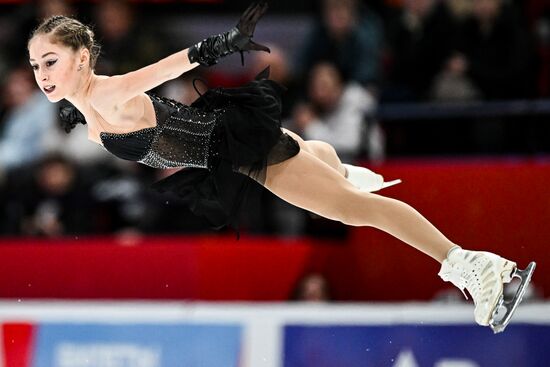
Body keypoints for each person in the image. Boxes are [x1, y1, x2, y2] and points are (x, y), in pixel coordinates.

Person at [26, 2, 534, 333]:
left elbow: (158, 71)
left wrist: (214, 47)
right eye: (34, 65)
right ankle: (337, 167)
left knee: (359, 212)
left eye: (51, 61)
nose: (42, 74)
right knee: (335, 183)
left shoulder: (110, 96)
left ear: (83, 59)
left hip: (246, 151)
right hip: (237, 144)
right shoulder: (91, 114)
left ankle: (474, 265)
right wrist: (80, 107)